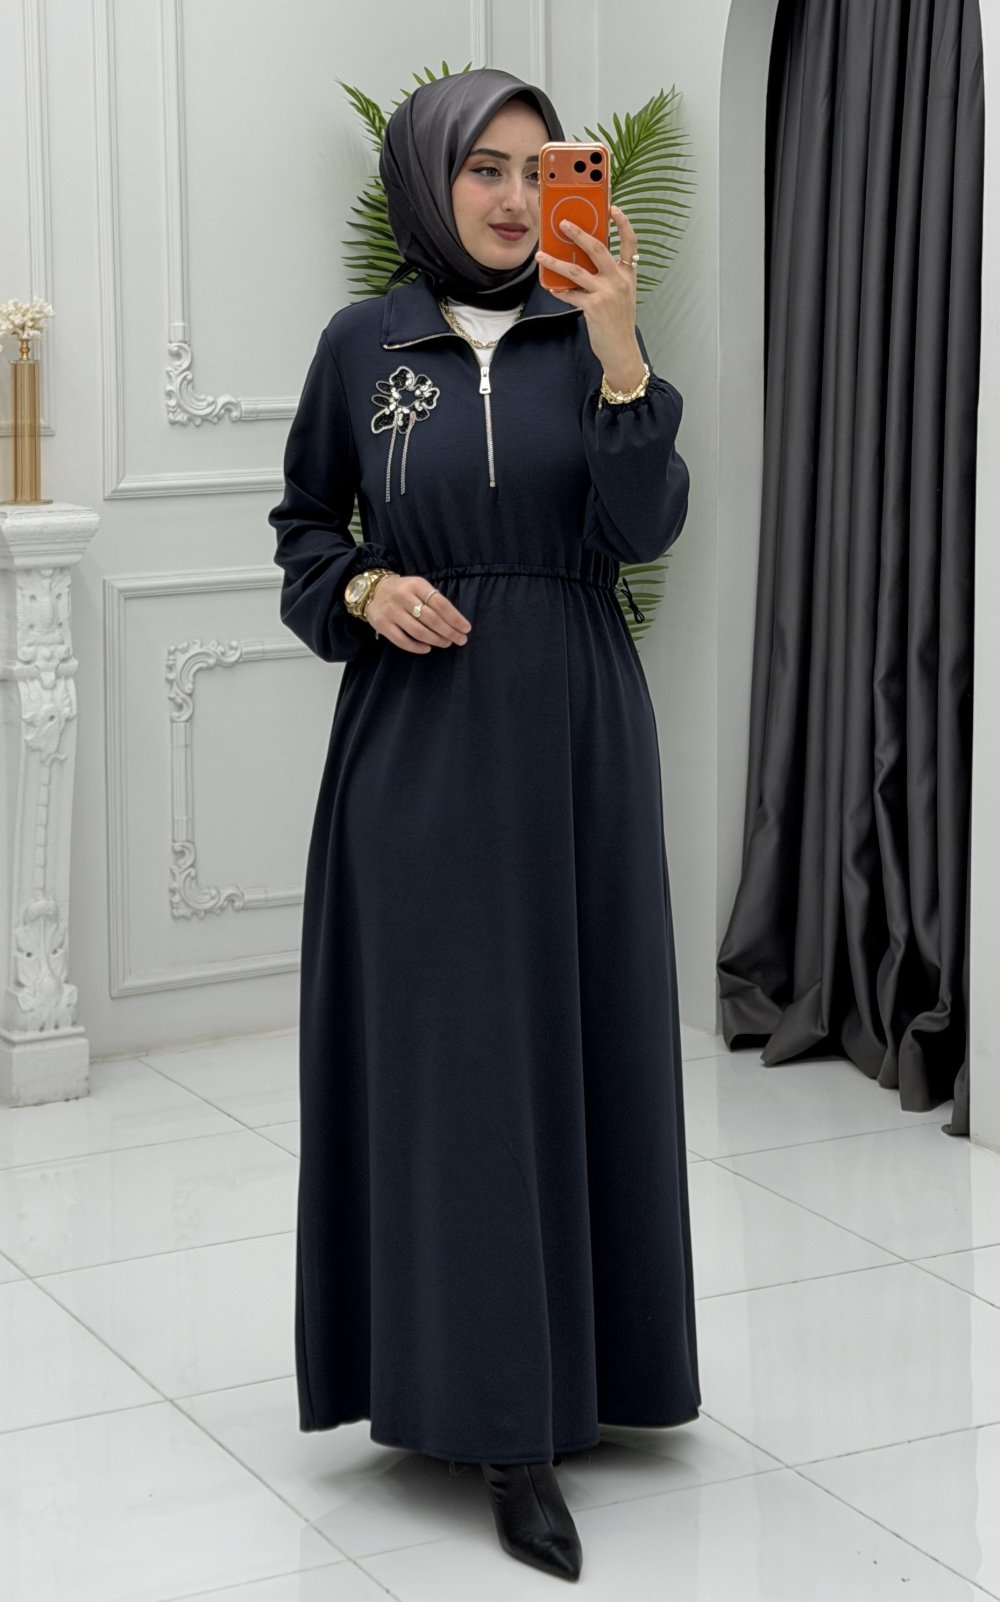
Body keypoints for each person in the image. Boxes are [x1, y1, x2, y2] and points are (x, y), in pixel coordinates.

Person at [269, 66, 700, 1584]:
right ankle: (496, 1421)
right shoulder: (362, 344)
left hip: (581, 734)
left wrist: (623, 350)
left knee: (584, 1040)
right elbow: (304, 533)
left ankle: (602, 1372)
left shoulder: (596, 337)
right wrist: (368, 588)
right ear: (429, 179)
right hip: (422, 745)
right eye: (486, 170)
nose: (518, 199)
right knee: (455, 1067)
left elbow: (643, 526)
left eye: (540, 169)